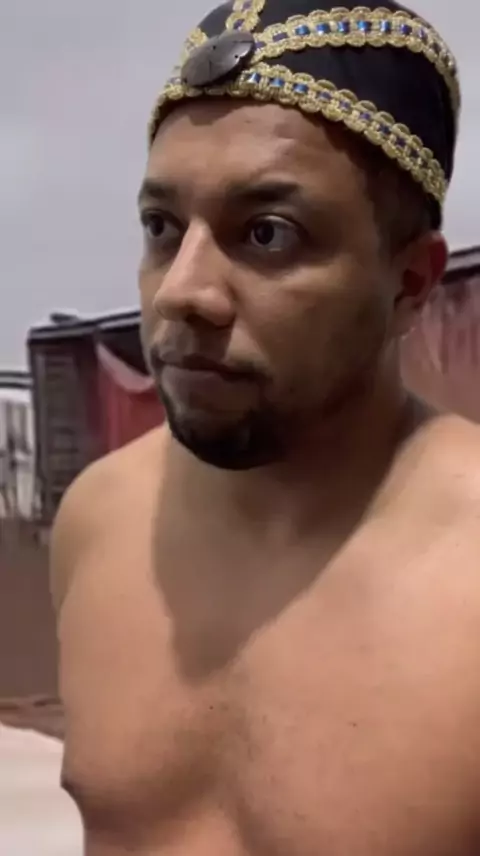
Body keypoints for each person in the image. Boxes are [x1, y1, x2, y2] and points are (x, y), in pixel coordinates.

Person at [50, 1, 480, 853]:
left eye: (267, 233)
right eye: (162, 227)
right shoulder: (99, 521)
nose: (183, 291)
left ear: (410, 284)